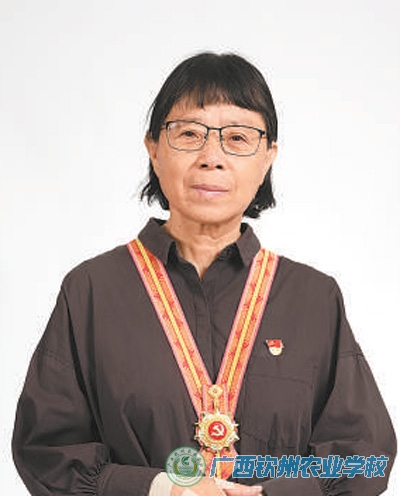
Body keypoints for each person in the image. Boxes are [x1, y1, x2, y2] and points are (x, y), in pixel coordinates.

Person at [12, 52, 396, 496]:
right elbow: (46, 452)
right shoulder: (92, 290)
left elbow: (363, 457)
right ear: (153, 148)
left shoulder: (313, 298)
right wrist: (162, 489)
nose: (212, 157)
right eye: (189, 134)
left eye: (237, 138)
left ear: (268, 157)